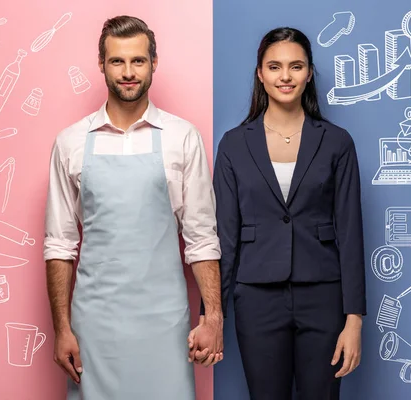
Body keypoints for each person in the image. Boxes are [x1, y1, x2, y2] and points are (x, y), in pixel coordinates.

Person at [43, 15, 224, 399]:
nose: (128, 72)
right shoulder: (71, 142)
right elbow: (59, 244)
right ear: (102, 65)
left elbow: (201, 238)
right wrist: (62, 328)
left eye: (138, 61)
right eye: (117, 61)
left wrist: (213, 318)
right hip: (94, 326)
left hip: (165, 323)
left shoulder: (182, 137)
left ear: (153, 63)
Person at [212, 27, 367, 399]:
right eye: (275, 66)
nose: (285, 76)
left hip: (324, 297)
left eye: (296, 66)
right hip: (256, 298)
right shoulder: (234, 144)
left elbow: (350, 231)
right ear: (260, 74)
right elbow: (225, 235)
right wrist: (212, 314)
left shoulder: (337, 142)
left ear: (309, 73)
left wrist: (354, 320)